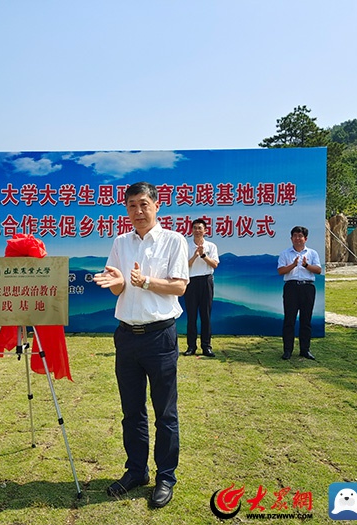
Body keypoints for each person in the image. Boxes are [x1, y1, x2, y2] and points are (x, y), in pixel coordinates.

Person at [93, 181, 189, 509]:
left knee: (165, 411)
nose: (138, 212)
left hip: (160, 336)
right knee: (131, 411)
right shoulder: (121, 242)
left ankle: (165, 477)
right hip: (127, 337)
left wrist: (145, 281)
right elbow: (118, 287)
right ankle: (136, 471)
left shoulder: (174, 241)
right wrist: (117, 282)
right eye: (131, 206)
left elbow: (179, 287)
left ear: (156, 205)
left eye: (143, 204)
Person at [277, 226, 321, 360]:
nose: (297, 238)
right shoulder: (285, 253)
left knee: (306, 320)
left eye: (300, 236)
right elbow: (281, 271)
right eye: (295, 236)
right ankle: (287, 350)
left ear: (305, 238)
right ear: (291, 238)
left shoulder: (312, 253)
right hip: (291, 287)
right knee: (289, 319)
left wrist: (306, 265)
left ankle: (305, 350)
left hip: (308, 287)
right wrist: (294, 264)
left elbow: (318, 270)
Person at [183, 218, 219, 357]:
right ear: (191, 230)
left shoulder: (211, 246)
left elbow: (215, 264)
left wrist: (203, 255)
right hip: (191, 281)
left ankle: (206, 346)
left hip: (206, 281)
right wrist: (195, 256)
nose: (197, 230)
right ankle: (191, 346)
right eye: (195, 228)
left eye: (200, 228)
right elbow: (184, 265)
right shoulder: (186, 246)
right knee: (191, 316)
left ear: (205, 230)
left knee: (206, 315)